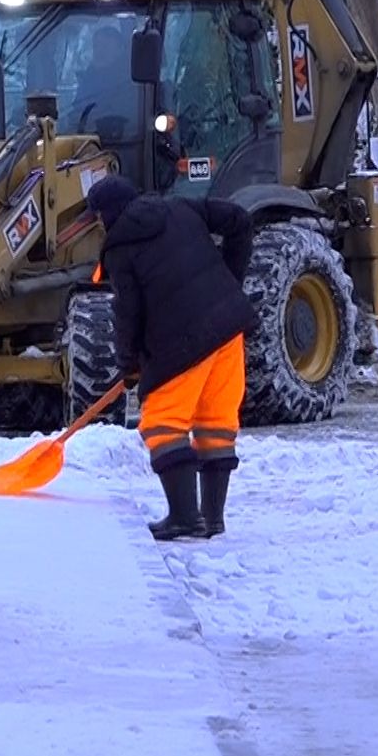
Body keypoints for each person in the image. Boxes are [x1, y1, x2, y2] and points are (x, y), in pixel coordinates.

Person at [84, 175, 255, 540]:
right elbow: (240, 220)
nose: (98, 225)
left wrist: (128, 364)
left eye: (97, 217)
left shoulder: (119, 248)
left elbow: (128, 313)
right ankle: (212, 518)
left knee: (162, 422)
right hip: (228, 331)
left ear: (107, 213)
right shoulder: (181, 207)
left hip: (183, 340)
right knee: (215, 421)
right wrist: (229, 282)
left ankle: (185, 517)